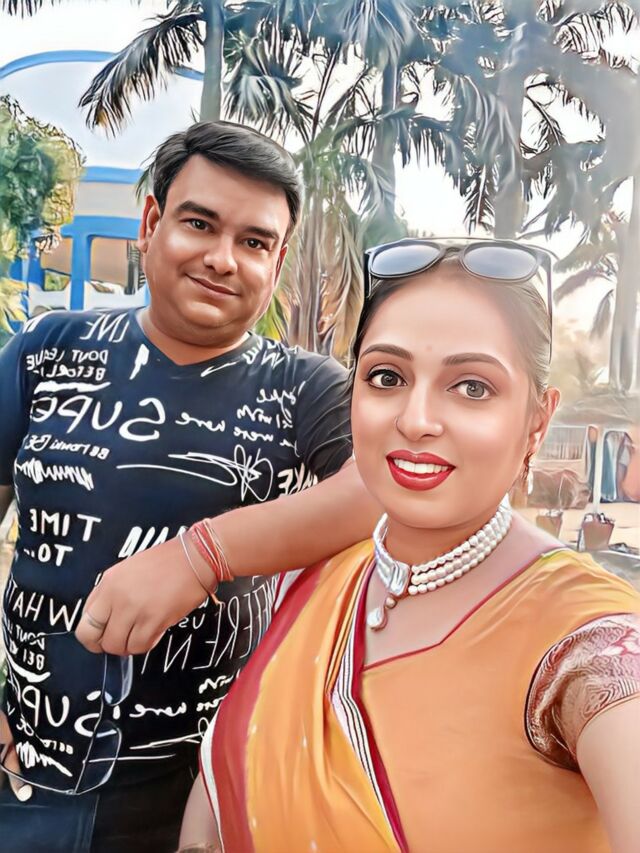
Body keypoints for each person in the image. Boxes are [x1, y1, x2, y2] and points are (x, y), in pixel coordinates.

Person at [182, 239, 640, 853]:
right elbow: (224, 789)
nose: (416, 419)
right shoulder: (316, 582)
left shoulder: (588, 641)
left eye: (472, 387)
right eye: (387, 377)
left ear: (538, 420)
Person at [0, 121, 379, 853]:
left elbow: (380, 484)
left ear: (277, 262)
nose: (222, 259)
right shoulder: (47, 352)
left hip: (202, 795)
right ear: (151, 223)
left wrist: (200, 556)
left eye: (254, 241)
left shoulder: (306, 389)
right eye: (199, 224)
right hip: (23, 776)